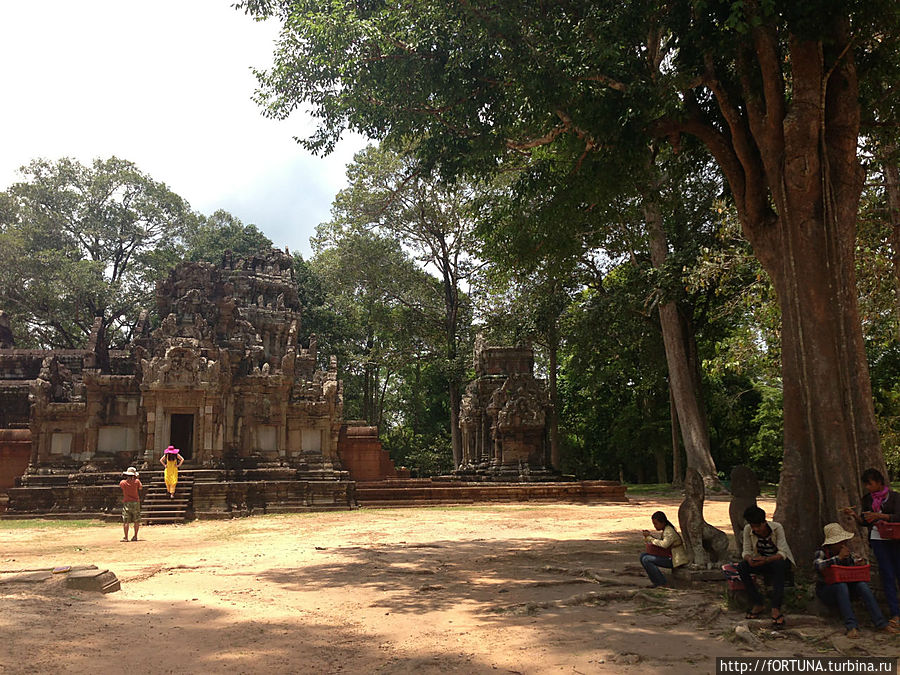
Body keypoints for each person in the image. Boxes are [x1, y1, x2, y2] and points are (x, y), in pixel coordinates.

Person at [814, 522, 897, 637]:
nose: (843, 544)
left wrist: (859, 562)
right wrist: (838, 558)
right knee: (840, 585)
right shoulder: (822, 553)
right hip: (828, 590)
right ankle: (851, 626)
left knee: (862, 585)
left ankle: (881, 623)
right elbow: (818, 565)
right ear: (832, 544)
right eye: (840, 542)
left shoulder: (848, 554)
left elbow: (858, 563)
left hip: (847, 589)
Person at [843, 468, 900, 628]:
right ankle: (895, 614)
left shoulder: (895, 497)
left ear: (880, 482)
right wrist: (855, 516)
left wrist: (881, 516)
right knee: (887, 575)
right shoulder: (867, 499)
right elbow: (865, 521)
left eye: (870, 484)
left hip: (895, 539)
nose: (868, 487)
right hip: (878, 539)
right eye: (866, 484)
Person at [738, 505, 794, 628]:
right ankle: (757, 603)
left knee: (779, 566)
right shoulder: (748, 530)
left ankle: (775, 608)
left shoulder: (777, 528)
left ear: (764, 523)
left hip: (776, 561)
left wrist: (767, 559)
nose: (756, 530)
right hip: (760, 562)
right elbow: (746, 551)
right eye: (753, 527)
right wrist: (750, 559)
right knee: (742, 567)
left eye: (758, 526)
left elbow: (782, 553)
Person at [640, 511, 688, 587]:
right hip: (670, 556)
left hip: (676, 560)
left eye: (656, 524)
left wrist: (650, 538)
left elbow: (664, 544)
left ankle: (662, 583)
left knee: (646, 559)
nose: (655, 526)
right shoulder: (666, 530)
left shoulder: (669, 531)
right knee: (643, 556)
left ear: (662, 522)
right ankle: (656, 582)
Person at [119, 467, 143, 542]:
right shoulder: (137, 482)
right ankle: (135, 536)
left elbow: (122, 487)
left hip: (127, 502)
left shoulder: (123, 482)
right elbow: (141, 488)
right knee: (136, 520)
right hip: (136, 502)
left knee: (126, 521)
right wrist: (137, 478)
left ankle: (126, 537)